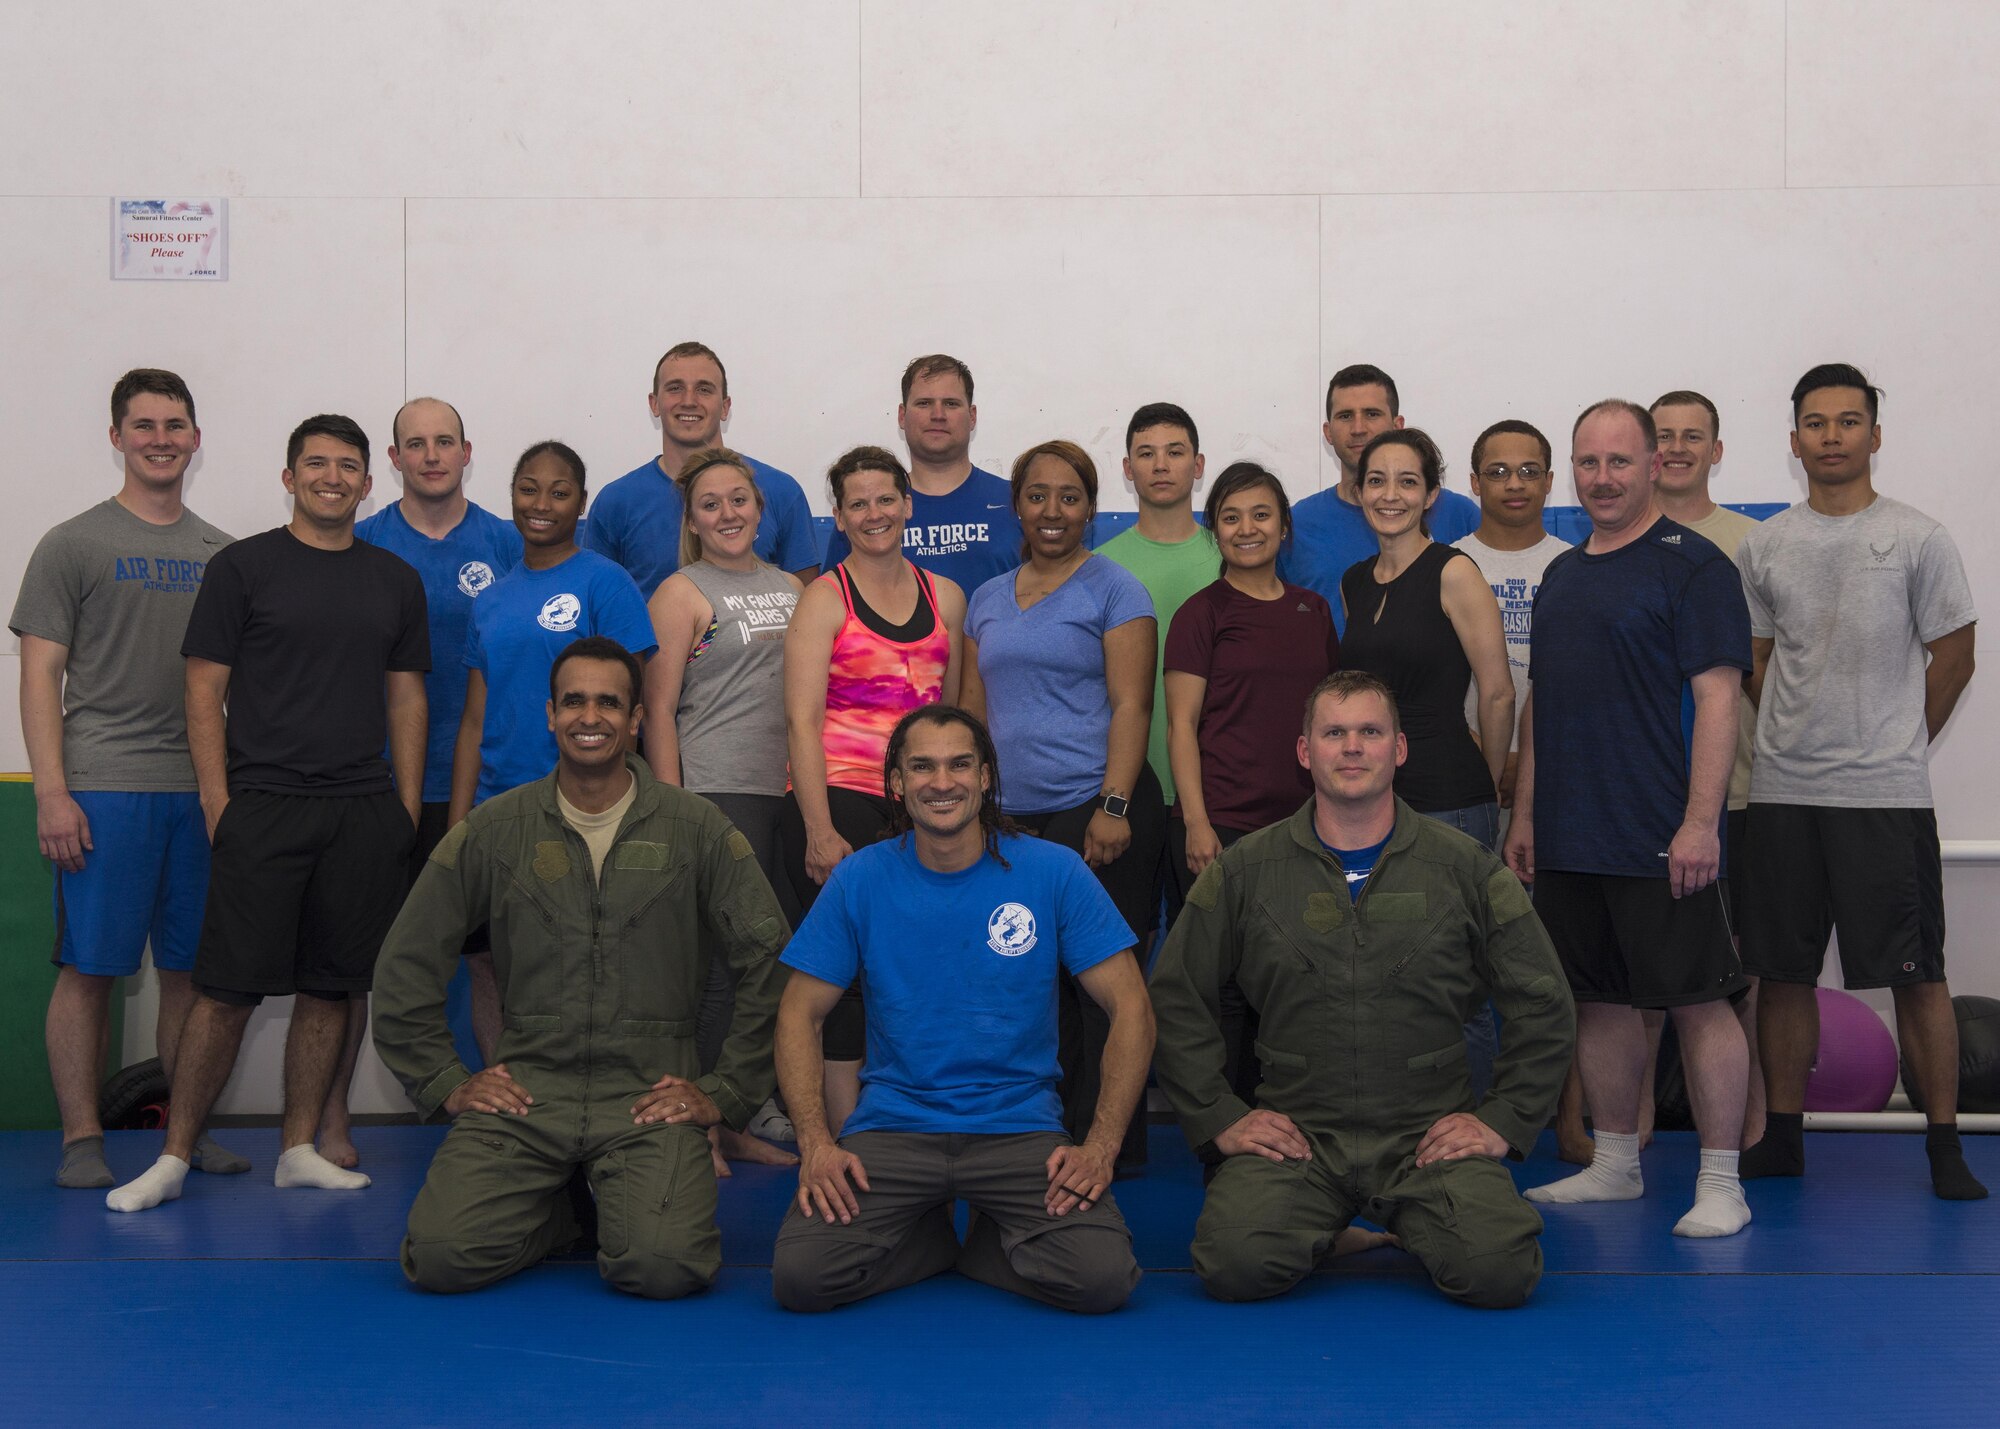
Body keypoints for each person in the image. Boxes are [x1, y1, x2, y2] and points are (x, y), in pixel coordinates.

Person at [374, 637, 794, 1296]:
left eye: (608, 702)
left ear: (634, 720)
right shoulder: (497, 829)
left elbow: (773, 965)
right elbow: (406, 959)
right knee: (440, 1255)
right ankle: (561, 1209)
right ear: (549, 714)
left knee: (664, 1266)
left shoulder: (697, 830)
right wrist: (446, 1079)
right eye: (574, 700)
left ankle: (605, 1198)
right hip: (530, 1090)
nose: (588, 716)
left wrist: (727, 1093)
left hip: (650, 1095)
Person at [1149, 671, 1573, 1308]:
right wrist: (1222, 1119)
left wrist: (1500, 1122)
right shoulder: (1248, 869)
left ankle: (1404, 1219)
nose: (1352, 747)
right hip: (1301, 1136)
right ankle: (1337, 1227)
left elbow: (1544, 1000)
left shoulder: (1465, 868)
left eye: (1370, 732)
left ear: (1398, 749)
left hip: (1425, 1137)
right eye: (1334, 733)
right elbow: (1175, 995)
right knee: (1234, 1263)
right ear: (1305, 752)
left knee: (1498, 1270)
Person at [107, 413, 430, 1213]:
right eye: (315, 463)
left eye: (347, 465)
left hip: (360, 808)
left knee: (331, 989)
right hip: (263, 806)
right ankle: (173, 1155)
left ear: (367, 480)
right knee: (223, 991)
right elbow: (202, 692)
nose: (332, 476)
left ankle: (297, 1147)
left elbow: (407, 696)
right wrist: (222, 805)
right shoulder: (242, 568)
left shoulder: (395, 578)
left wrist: (403, 811)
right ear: (289, 478)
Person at [770, 706, 1151, 1314]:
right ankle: (930, 1240)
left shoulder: (1054, 872)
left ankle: (979, 1249)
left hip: (1020, 1129)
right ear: (896, 782)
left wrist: (1099, 1147)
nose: (940, 782)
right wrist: (817, 1144)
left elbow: (1132, 1007)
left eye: (959, 765)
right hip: (894, 1128)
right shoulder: (859, 879)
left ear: (987, 777)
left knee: (1102, 1278)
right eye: (921, 766)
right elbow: (797, 1014)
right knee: (803, 1278)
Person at [1503, 399, 1755, 1239]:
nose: (1602, 478)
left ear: (1653, 465)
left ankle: (1723, 1181)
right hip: (1574, 836)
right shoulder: (1564, 575)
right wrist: (1529, 814)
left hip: (1661, 834)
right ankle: (1614, 1163)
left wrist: (1700, 823)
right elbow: (1544, 703)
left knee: (1700, 1002)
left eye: (1619, 461)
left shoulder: (1693, 567)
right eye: (1588, 462)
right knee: (1599, 999)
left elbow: (1721, 698)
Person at [1737, 364, 1984, 1200]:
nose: (1832, 435)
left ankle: (1944, 1143)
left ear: (1875, 435)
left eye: (1849, 421)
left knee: (1919, 973)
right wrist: (1795, 734)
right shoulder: (1767, 544)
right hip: (1782, 793)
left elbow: (1956, 654)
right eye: (1816, 422)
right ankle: (1783, 1135)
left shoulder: (1918, 536)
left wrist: (1897, 738)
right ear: (1795, 438)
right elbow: (1758, 661)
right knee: (1782, 970)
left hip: (1884, 795)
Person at [11, 368, 244, 1189]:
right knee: (91, 970)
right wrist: (50, 789)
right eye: (143, 425)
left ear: (195, 438)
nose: (160, 438)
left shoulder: (223, 552)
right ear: (117, 436)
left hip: (200, 791)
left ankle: (186, 1131)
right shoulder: (73, 543)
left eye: (175, 424)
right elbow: (39, 674)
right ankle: (82, 1138)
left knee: (191, 973)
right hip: (103, 787)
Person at [332, 396, 521, 1169]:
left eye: (446, 441)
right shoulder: (362, 541)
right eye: (417, 444)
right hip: (377, 784)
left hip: (489, 784)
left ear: (468, 451)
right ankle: (331, 1120)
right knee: (354, 964)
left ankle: (511, 1114)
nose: (433, 455)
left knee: (491, 960)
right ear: (395, 458)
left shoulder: (509, 544)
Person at [962, 439, 1162, 1168]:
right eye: (1038, 494)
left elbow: (1132, 703)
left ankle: (1111, 1146)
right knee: (1031, 980)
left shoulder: (1115, 588)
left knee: (1100, 984)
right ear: (1018, 504)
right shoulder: (987, 597)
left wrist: (1113, 803)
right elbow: (970, 715)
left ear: (1090, 506)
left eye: (1069, 496)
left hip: (1096, 802)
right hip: (1014, 817)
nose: (1053, 510)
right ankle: (1046, 1133)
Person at [783, 445, 966, 1134]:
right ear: (838, 515)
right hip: (844, 800)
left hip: (925, 810)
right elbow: (800, 720)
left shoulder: (944, 595)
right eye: (857, 503)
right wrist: (819, 828)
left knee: (917, 971)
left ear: (908, 502)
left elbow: (948, 720)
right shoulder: (823, 600)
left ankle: (915, 1123)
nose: (874, 513)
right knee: (849, 984)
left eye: (885, 498)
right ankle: (848, 1142)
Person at [644, 445, 804, 1171]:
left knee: (772, 961)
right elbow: (657, 707)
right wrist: (677, 811)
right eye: (711, 503)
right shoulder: (681, 590)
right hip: (713, 795)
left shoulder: (794, 588)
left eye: (738, 498)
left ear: (759, 507)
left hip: (785, 796)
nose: (728, 513)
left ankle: (750, 1102)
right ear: (693, 519)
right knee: (716, 970)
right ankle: (707, 1125)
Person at [1163, 460, 1338, 1109]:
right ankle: (1227, 1142)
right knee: (1226, 988)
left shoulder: (1312, 609)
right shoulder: (1202, 613)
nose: (1247, 528)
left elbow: (1328, 722)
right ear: (1215, 531)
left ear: (1284, 527)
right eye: (1231, 517)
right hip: (1223, 825)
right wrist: (1199, 822)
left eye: (1261, 514)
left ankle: (1286, 1131)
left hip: (1302, 830)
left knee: (1292, 980)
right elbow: (1181, 724)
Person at [1449, 419, 1585, 1156]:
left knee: (1550, 966)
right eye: (1497, 470)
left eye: (1528, 469)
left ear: (1548, 480)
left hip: (1548, 787)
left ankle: (1565, 1116)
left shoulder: (1575, 563)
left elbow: (1566, 685)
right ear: (1473, 482)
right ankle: (1463, 1119)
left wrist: (1519, 764)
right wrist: (1486, 758)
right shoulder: (1445, 562)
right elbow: (1437, 686)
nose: (1513, 483)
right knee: (1464, 965)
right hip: (1465, 784)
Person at [1642, 389, 1767, 1152]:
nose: (1679, 448)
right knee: (1640, 976)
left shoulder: (1751, 544)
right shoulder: (1619, 539)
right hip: (1641, 795)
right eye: (1665, 436)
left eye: (1695, 436)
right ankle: (1637, 1130)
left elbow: (1766, 669)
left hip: (1738, 793)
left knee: (1736, 968)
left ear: (1717, 450)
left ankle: (1748, 1130)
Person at [1339, 428, 1512, 849]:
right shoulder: (1354, 582)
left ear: (1431, 494)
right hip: (1375, 802)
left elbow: (1498, 694)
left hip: (1450, 802)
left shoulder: (1454, 573)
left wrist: (1484, 786)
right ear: (1360, 492)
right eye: (1377, 480)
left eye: (1408, 481)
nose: (1390, 495)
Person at [581, 341, 818, 593]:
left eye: (704, 389)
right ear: (654, 404)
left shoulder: (781, 491)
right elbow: (595, 603)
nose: (689, 401)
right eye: (675, 388)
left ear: (725, 407)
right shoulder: (615, 501)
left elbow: (807, 610)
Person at [1097, 402, 1217, 861]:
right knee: (1130, 931)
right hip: (1127, 785)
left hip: (1212, 787)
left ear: (1198, 464)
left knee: (1218, 931)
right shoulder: (1100, 566)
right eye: (1146, 454)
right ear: (1128, 469)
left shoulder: (1231, 557)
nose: (1161, 465)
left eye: (1175, 452)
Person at [1282, 364, 1479, 635]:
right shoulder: (1295, 525)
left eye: (1372, 414)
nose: (1358, 428)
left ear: (1398, 424)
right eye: (1345, 416)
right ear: (1328, 432)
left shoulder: (1459, 514)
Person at [821, 354, 1021, 591]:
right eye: (924, 403)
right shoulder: (869, 513)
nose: (938, 415)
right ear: (902, 416)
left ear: (972, 416)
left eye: (951, 403)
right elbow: (836, 597)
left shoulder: (1016, 502)